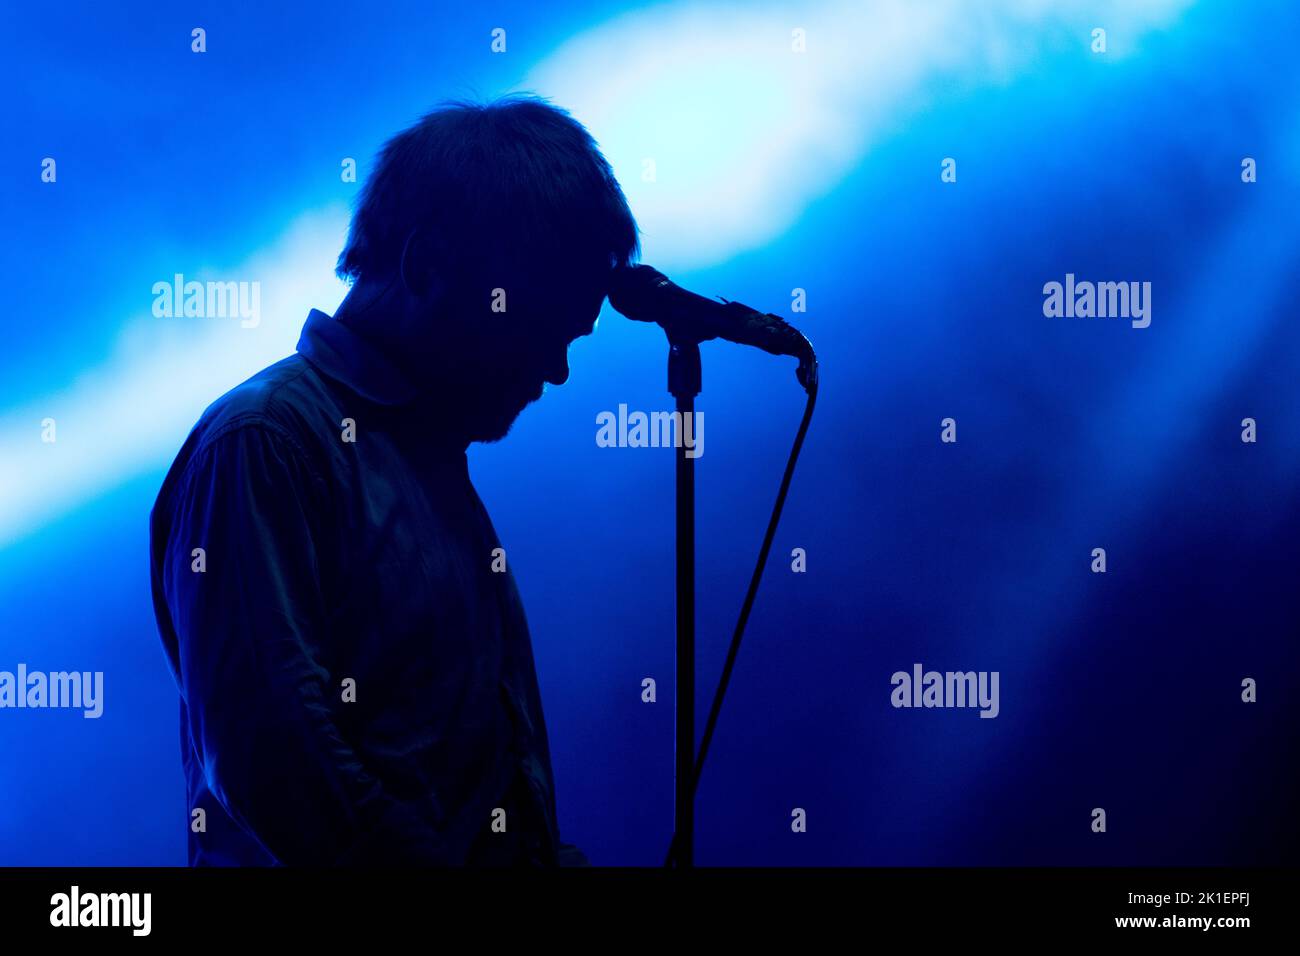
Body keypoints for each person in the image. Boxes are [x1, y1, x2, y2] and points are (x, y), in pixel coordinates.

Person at [148, 95, 639, 866]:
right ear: (425, 266)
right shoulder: (264, 442)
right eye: (538, 325)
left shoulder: (421, 459)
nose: (556, 368)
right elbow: (274, 758)